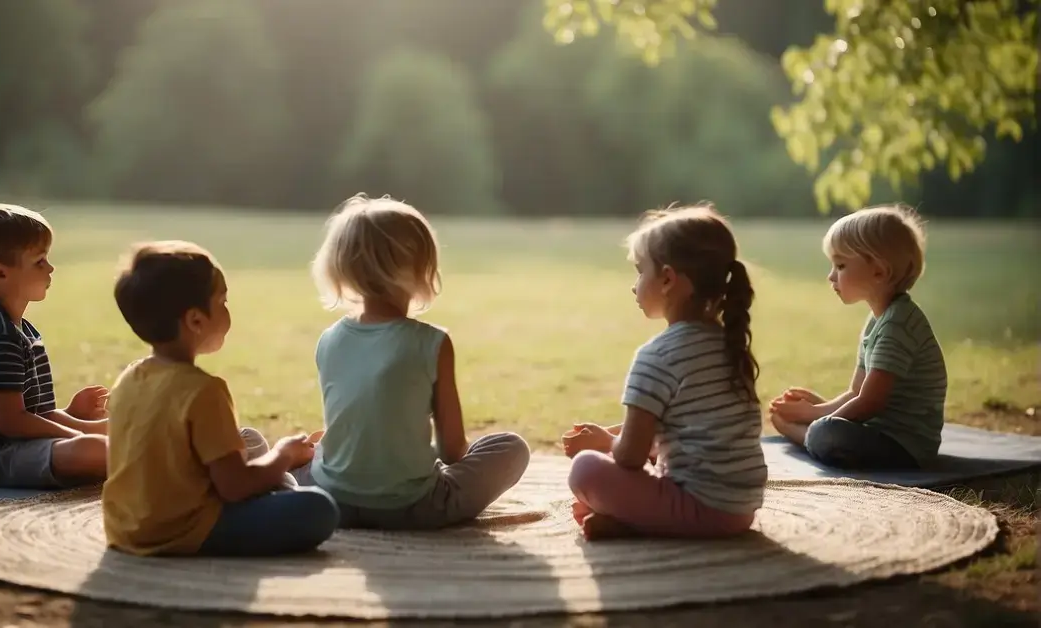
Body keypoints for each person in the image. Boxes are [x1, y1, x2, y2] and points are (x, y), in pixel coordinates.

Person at [294, 193, 531, 529]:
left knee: (298, 454)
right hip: (413, 507)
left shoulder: (328, 339)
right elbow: (452, 451)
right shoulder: (432, 342)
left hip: (332, 499)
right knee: (511, 447)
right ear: (423, 268)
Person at [103, 240, 338, 556]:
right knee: (318, 507)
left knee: (249, 439)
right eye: (223, 300)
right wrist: (284, 454)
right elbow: (235, 487)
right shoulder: (203, 390)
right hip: (183, 528)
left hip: (126, 525)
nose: (228, 309)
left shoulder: (128, 379)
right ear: (196, 320)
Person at [563, 205, 766, 540]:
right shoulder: (729, 344)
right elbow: (690, 424)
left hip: (699, 509)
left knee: (585, 468)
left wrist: (603, 441)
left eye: (640, 271)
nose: (634, 285)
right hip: (740, 511)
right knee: (649, 456)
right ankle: (633, 517)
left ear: (668, 279)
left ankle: (638, 521)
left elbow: (629, 457)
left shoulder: (657, 355)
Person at [0, 198, 108, 489]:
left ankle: (128, 453)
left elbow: (32, 416)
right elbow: (12, 423)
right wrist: (78, 435)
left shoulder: (21, 330)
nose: (51, 268)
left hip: (8, 444)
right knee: (93, 449)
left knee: (108, 436)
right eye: (40, 261)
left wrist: (72, 414)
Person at [770, 204, 947, 470]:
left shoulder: (898, 326)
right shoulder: (878, 319)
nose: (831, 276)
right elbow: (857, 392)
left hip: (905, 446)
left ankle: (806, 435)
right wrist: (821, 409)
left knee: (826, 434)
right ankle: (814, 426)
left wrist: (815, 417)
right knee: (827, 421)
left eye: (840, 265)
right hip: (877, 428)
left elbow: (870, 403)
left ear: (879, 271)